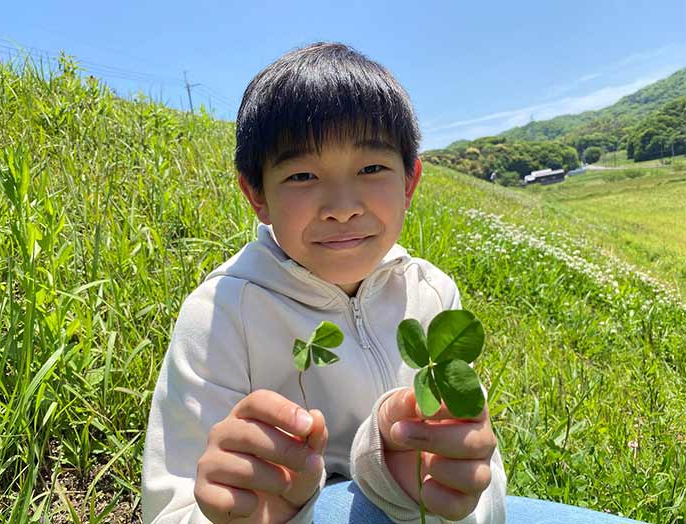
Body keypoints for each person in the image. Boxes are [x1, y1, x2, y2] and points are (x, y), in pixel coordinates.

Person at [142, 41, 645, 524]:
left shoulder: (431, 293)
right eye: (301, 176)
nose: (342, 206)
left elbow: (481, 487)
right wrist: (247, 515)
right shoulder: (221, 312)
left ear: (410, 182)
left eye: (371, 167)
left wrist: (454, 493)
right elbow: (175, 507)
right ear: (256, 194)